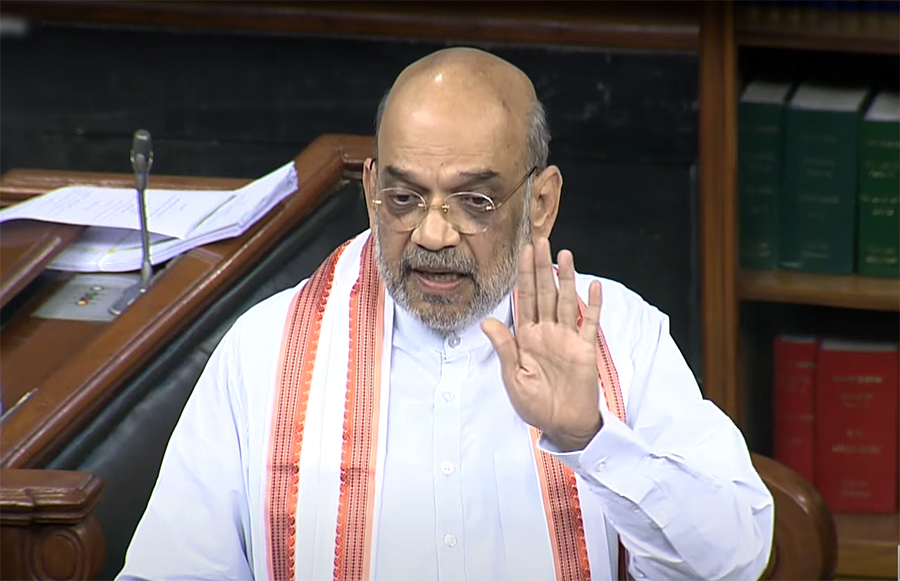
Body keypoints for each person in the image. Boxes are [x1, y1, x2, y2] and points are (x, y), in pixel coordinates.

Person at [118, 47, 773, 581]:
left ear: (540, 203)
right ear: (372, 190)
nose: (433, 233)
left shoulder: (620, 336)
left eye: (474, 202)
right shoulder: (265, 351)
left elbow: (733, 560)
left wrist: (591, 439)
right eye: (404, 197)